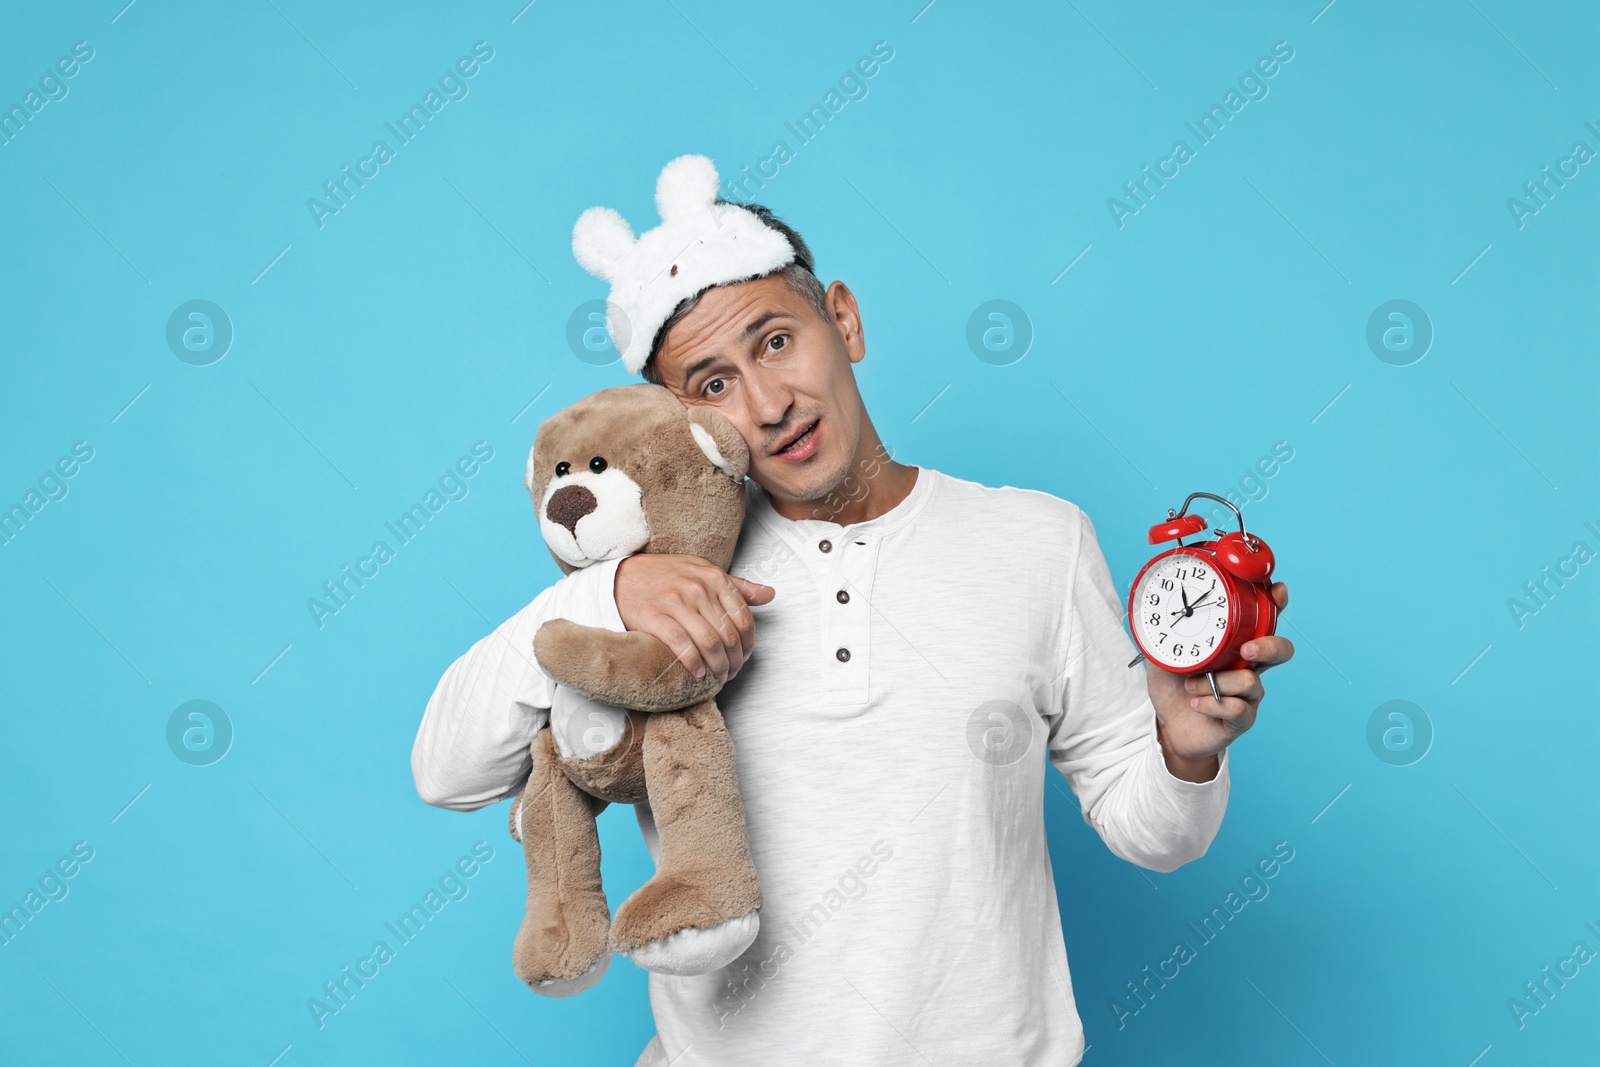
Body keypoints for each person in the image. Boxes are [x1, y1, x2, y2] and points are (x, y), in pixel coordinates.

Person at [411, 155, 1294, 1066]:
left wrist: (1186, 752)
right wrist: (609, 589)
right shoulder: (654, 579)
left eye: (776, 341)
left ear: (844, 318)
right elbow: (447, 770)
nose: (767, 402)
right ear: (684, 422)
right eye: (711, 385)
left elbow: (1155, 835)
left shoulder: (1040, 540)